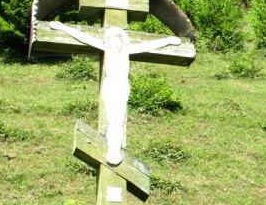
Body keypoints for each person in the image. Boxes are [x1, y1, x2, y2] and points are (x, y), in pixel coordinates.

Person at [49, 21, 181, 165]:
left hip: (122, 85)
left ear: (122, 41)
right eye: (111, 41)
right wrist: (63, 27)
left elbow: (148, 46)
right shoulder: (106, 49)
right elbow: (85, 38)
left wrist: (168, 40)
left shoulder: (127, 50)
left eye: (118, 41)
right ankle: (112, 151)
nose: (115, 44)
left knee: (118, 120)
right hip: (110, 85)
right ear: (108, 41)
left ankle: (116, 150)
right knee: (112, 119)